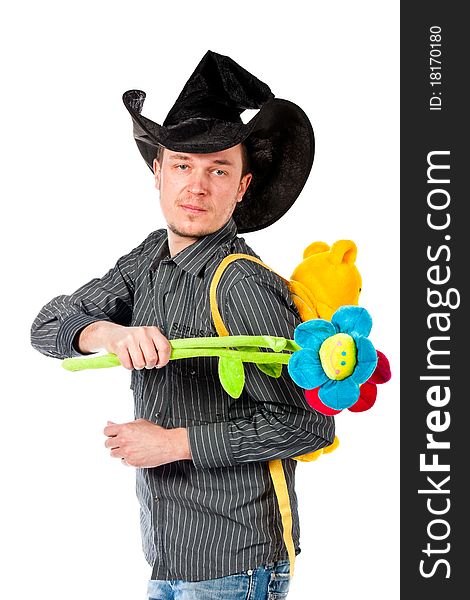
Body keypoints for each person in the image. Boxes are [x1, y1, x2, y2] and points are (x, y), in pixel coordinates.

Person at [31, 50, 335, 600]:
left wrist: (173, 443)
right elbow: (48, 324)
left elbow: (309, 426)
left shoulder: (243, 283)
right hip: (169, 558)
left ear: (241, 187)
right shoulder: (148, 260)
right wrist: (108, 333)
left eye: (218, 169)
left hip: (236, 565)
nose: (197, 186)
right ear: (157, 172)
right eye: (182, 165)